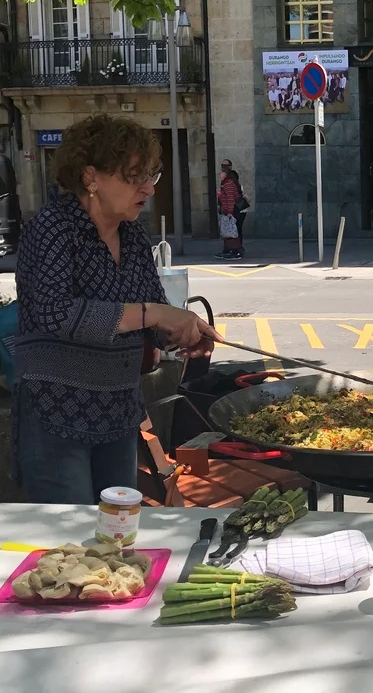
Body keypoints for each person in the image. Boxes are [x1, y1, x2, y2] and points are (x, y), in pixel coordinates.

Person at [14, 114, 221, 505]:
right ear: (90, 176)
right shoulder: (51, 228)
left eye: (151, 176)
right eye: (134, 176)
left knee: (119, 528)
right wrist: (153, 315)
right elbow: (54, 314)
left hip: (119, 411)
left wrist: (182, 332)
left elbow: (152, 314)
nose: (148, 188)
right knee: (72, 534)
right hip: (57, 413)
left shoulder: (133, 235)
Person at [217, 164, 242, 259]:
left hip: (230, 212)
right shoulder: (225, 183)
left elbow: (231, 199)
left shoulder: (228, 184)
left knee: (231, 232)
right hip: (227, 211)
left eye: (221, 172)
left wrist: (230, 212)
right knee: (228, 232)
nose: (219, 173)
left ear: (225, 174)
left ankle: (235, 251)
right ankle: (230, 251)